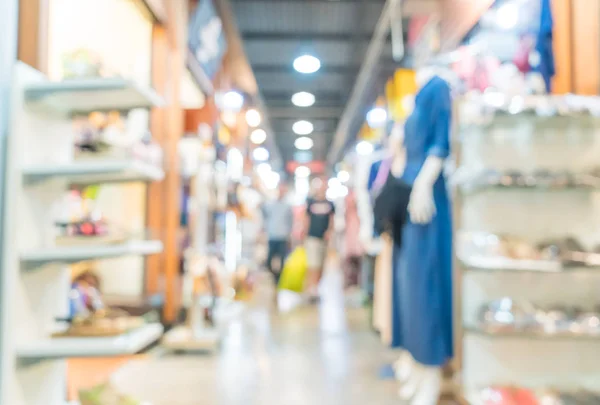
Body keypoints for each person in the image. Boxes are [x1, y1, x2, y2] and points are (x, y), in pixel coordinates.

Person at [304, 182, 335, 300]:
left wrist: (330, 232)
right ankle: (311, 288)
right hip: (312, 237)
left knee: (321, 264)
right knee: (312, 263)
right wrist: (304, 232)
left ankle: (317, 286)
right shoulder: (311, 202)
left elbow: (332, 220)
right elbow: (306, 218)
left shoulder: (330, 204)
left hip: (324, 239)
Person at [261, 183, 293, 284]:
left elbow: (290, 222)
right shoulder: (270, 204)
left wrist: (289, 235)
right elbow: (264, 216)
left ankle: (279, 280)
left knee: (282, 261)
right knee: (269, 261)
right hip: (272, 236)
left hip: (283, 237)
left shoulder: (288, 206)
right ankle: (275, 277)